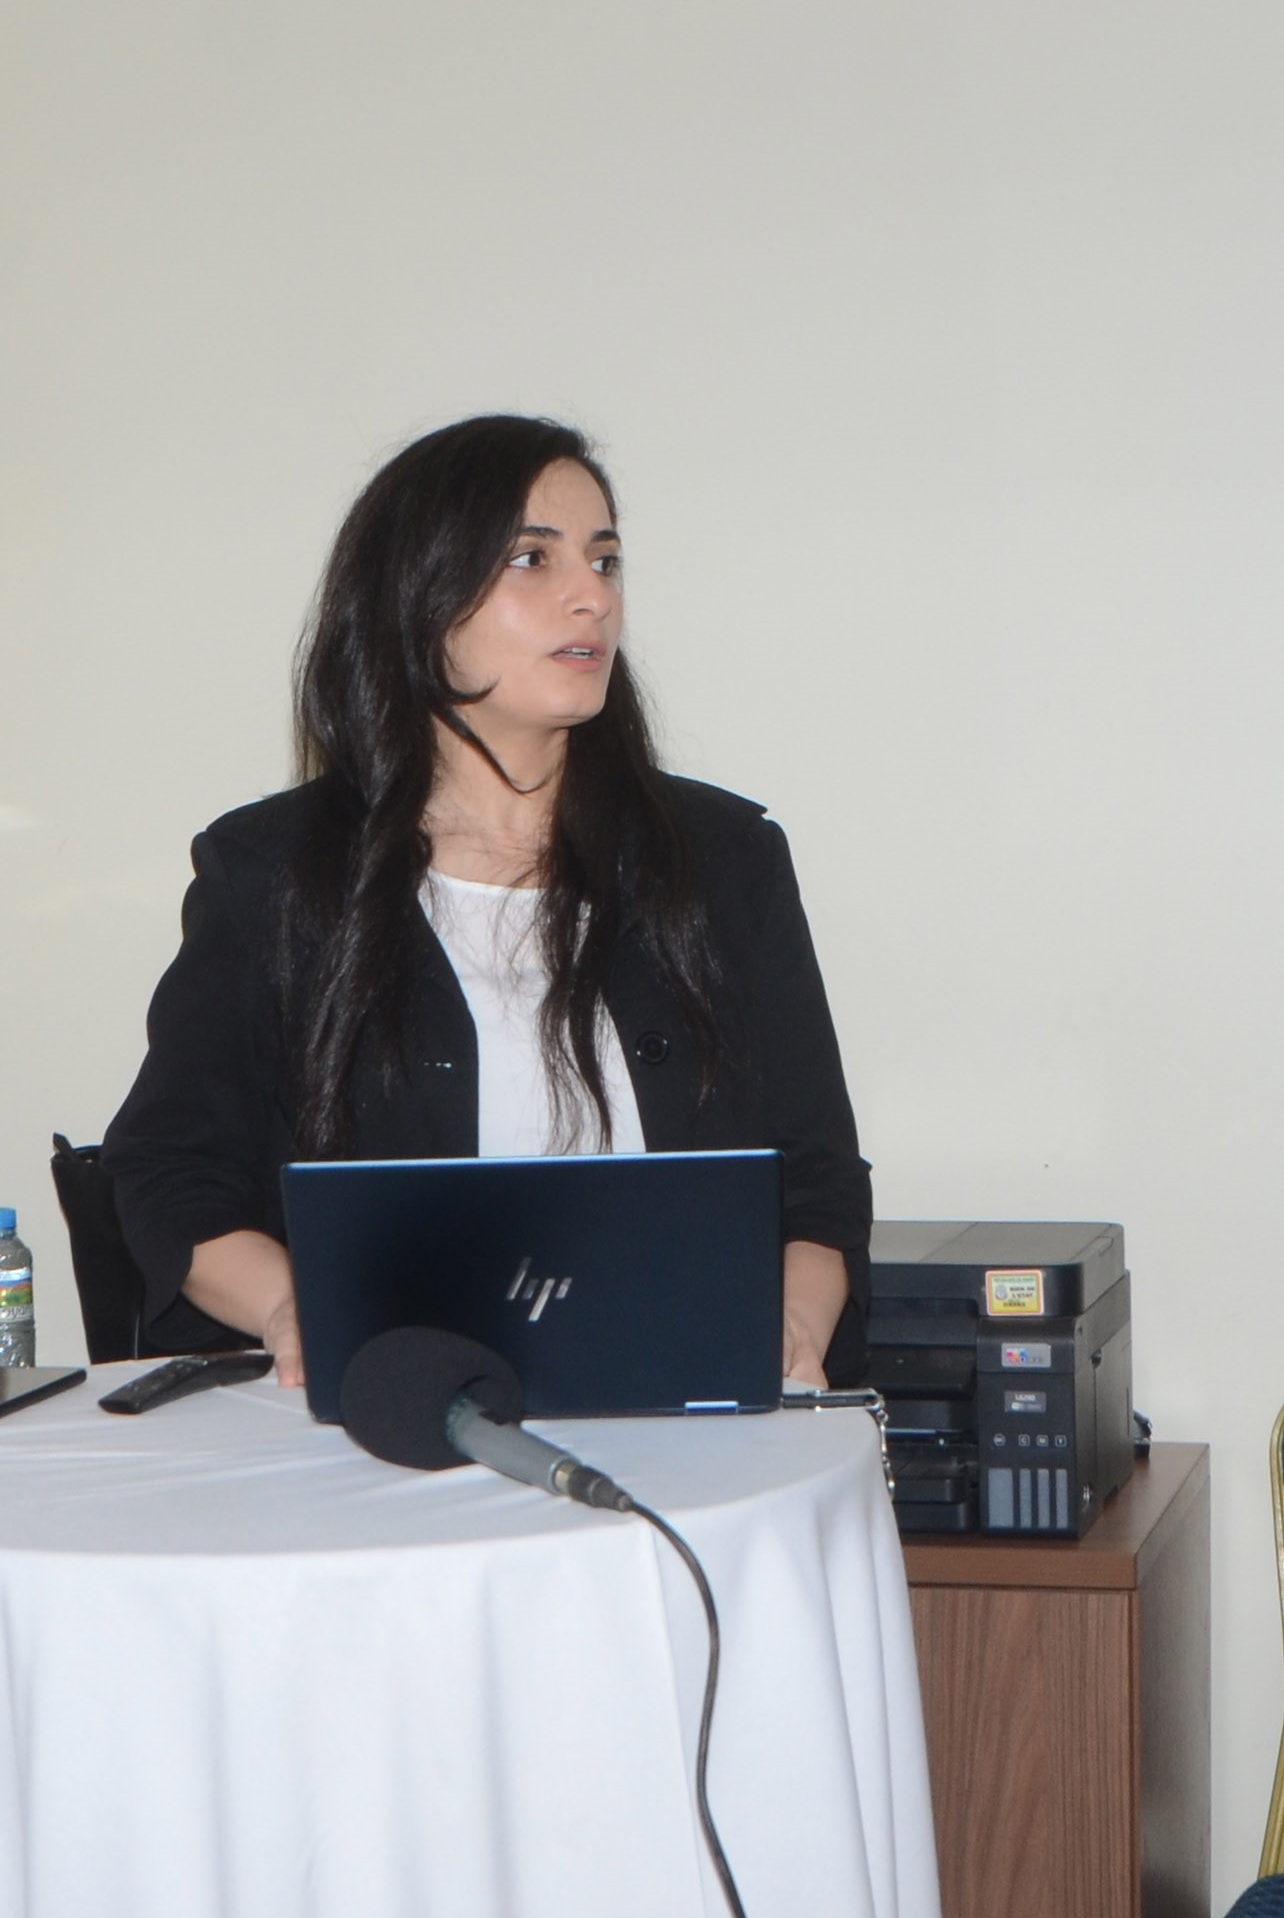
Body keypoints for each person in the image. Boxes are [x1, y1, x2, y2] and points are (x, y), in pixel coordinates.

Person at [103, 414, 870, 1388]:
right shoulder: (276, 873)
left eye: (604, 559)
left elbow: (815, 1184)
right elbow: (169, 1173)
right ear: (415, 600)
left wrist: (790, 1334)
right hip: (397, 1422)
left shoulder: (721, 860)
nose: (589, 595)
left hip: (684, 1407)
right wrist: (299, 1311)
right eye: (529, 559)